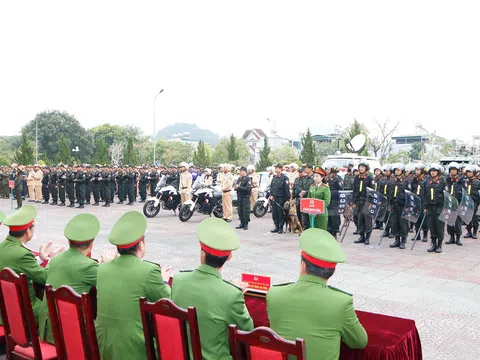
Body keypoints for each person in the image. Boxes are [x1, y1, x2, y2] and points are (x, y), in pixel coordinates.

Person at [267, 228, 368, 360]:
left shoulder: (274, 294)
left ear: (302, 266)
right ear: (333, 271)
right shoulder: (341, 302)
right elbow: (359, 342)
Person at [171, 218, 253, 359]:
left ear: (201, 253)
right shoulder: (231, 295)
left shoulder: (178, 280)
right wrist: (235, 291)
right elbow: (248, 331)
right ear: (229, 257)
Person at [96, 211, 172, 359]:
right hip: (135, 350)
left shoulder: (102, 268)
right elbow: (168, 301)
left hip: (104, 347)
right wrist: (163, 280)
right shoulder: (149, 271)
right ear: (141, 245)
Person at [38, 213, 102, 344]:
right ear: (92, 244)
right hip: (68, 334)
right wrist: (108, 265)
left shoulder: (55, 260)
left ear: (68, 241)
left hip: (47, 328)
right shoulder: (89, 266)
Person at [0, 205, 62, 324]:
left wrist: (40, 258)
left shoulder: (3, 247)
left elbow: (18, 264)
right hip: (24, 309)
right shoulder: (22, 254)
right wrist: (51, 260)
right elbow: (45, 278)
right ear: (28, 231)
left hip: (5, 307)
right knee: (59, 312)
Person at [424, 164, 447, 253]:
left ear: (438, 172)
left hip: (440, 207)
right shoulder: (427, 182)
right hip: (430, 207)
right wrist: (425, 207)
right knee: (432, 226)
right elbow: (425, 195)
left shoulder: (443, 182)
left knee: (439, 226)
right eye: (431, 171)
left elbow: (447, 196)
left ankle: (439, 245)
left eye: (434, 171)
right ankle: (433, 244)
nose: (432, 173)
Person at [388, 163, 411, 249]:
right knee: (394, 223)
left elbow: (409, 194)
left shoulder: (406, 181)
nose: (397, 172)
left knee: (403, 224)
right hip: (394, 205)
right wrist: (390, 205)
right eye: (395, 170)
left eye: (398, 170)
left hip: (403, 206)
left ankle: (403, 241)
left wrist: (408, 206)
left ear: (402, 171)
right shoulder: (392, 181)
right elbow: (390, 194)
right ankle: (396, 240)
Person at [352, 161, 374, 245]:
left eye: (363, 167)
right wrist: (353, 202)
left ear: (366, 168)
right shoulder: (356, 178)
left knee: (367, 220)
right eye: (360, 167)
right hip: (358, 202)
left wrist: (371, 202)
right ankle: (361, 236)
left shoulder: (370, 178)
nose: (361, 168)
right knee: (359, 219)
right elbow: (354, 190)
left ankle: (367, 237)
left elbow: (372, 191)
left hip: (367, 201)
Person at [445, 162, 465, 246]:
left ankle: (458, 238)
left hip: (458, 203)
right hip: (449, 204)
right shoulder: (447, 180)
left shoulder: (462, 181)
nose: (452, 172)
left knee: (457, 222)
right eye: (451, 170)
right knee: (449, 221)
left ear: (457, 171)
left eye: (454, 170)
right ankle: (451, 237)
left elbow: (465, 193)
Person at [307, 166, 331, 231]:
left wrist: (317, 211)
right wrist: (310, 210)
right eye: (314, 176)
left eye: (317, 176)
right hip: (312, 214)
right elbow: (308, 199)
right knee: (313, 231)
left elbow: (326, 202)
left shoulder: (325, 188)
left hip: (321, 214)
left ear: (322, 177)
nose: (315, 178)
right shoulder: (312, 187)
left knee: (321, 232)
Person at [270, 163, 290, 234]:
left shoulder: (285, 178)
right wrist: (271, 195)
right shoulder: (274, 177)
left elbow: (286, 189)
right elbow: (271, 187)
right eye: (275, 168)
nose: (275, 169)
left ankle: (281, 227)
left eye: (277, 168)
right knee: (274, 213)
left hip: (281, 198)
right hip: (274, 197)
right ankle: (276, 226)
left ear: (280, 168)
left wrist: (287, 200)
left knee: (280, 213)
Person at [411, 163, 429, 242]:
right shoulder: (414, 180)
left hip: (423, 202)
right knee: (416, 218)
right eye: (416, 170)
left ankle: (425, 234)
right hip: (416, 201)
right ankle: (417, 234)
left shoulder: (426, 180)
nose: (416, 171)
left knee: (424, 219)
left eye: (418, 170)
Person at [324, 161, 343, 238]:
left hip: (334, 201)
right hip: (327, 200)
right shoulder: (325, 179)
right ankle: (328, 230)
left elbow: (341, 190)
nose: (326, 170)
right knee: (327, 216)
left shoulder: (337, 179)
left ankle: (334, 232)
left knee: (334, 216)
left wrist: (331, 192)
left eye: (328, 169)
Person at [464, 165, 480, 239]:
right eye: (468, 173)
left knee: (474, 218)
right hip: (467, 202)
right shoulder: (465, 182)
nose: (469, 174)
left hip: (475, 202)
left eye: (470, 172)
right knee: (467, 217)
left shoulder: (478, 182)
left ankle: (475, 232)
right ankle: (469, 231)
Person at [234, 166, 252, 230]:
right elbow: (236, 185)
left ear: (244, 171)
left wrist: (239, 188)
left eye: (241, 171)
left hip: (245, 197)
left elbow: (248, 188)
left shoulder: (248, 179)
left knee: (245, 210)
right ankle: (241, 223)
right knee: (240, 210)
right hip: (240, 196)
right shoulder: (239, 179)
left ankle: (246, 223)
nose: (239, 173)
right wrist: (236, 187)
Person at [299, 163, 314, 230]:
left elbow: (314, 188)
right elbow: (301, 186)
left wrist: (306, 191)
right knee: (304, 215)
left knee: (311, 215)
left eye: (306, 168)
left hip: (311, 199)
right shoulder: (304, 178)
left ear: (310, 169)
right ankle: (305, 229)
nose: (304, 169)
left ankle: (311, 229)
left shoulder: (314, 177)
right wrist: (302, 191)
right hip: (304, 199)